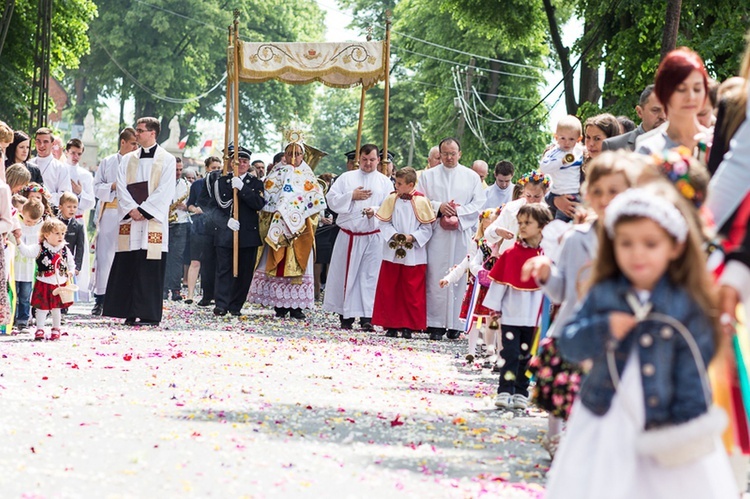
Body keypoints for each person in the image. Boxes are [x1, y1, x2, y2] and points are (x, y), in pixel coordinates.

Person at [546, 183, 736, 498]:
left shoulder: (685, 303)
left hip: (669, 412)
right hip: (608, 411)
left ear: (674, 248)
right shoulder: (603, 292)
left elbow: (696, 359)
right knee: (605, 482)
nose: (637, 253)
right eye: (626, 243)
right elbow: (569, 342)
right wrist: (604, 327)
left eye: (650, 244)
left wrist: (686, 420)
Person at [522, 151, 644, 457]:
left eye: (614, 191)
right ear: (587, 194)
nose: (605, 198)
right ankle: (557, 441)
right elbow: (562, 292)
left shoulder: (638, 241)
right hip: (573, 335)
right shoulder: (575, 238)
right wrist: (547, 274)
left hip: (618, 339)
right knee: (565, 403)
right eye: (598, 191)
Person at [103, 117, 176, 326]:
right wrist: (131, 209)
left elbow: (165, 190)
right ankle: (128, 311)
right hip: (131, 220)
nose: (136, 134)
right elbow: (122, 187)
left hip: (153, 220)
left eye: (140, 130)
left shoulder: (167, 159)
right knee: (130, 264)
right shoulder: (127, 159)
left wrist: (144, 210)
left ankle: (148, 314)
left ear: (152, 133)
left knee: (149, 267)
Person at [483, 204, 552, 410]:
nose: (522, 226)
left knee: (528, 356)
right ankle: (505, 390)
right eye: (520, 222)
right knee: (510, 354)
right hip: (512, 315)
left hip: (535, 318)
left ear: (542, 227)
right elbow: (499, 282)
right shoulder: (511, 254)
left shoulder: (547, 256)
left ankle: (521, 391)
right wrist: (494, 309)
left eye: (527, 223)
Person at [248, 137, 327, 319]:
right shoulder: (277, 173)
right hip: (278, 225)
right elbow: (267, 194)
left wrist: (299, 212)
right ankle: (279, 304)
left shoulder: (308, 176)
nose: (294, 157)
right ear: (285, 155)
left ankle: (296, 306)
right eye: (290, 153)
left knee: (299, 263)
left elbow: (315, 201)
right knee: (277, 263)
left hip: (301, 229)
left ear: (303, 155)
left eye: (297, 154)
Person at [419, 137, 485, 340]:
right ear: (439, 155)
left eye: (453, 153)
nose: (449, 157)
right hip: (436, 233)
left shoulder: (471, 177)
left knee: (458, 275)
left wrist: (458, 213)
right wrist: (439, 207)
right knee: (435, 274)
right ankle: (435, 323)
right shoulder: (428, 176)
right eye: (445, 154)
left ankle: (456, 323)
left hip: (460, 233)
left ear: (460, 154)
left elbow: (479, 203)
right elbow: (420, 200)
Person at [323, 144, 394, 330]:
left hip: (372, 236)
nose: (368, 163)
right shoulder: (346, 178)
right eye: (364, 160)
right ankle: (345, 316)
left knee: (369, 277)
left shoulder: (385, 182)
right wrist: (351, 196)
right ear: (358, 159)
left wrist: (375, 211)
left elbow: (390, 206)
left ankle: (367, 317)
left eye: (372, 160)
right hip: (349, 235)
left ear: (378, 160)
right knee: (346, 275)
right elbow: (331, 199)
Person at [371, 167, 435, 338]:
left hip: (414, 253)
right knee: (390, 288)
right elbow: (383, 223)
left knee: (412, 289)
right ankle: (390, 324)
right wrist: (394, 235)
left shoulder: (422, 201)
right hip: (392, 250)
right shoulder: (391, 199)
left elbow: (427, 228)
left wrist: (411, 237)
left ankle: (409, 325)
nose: (396, 186)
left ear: (411, 185)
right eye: (396, 182)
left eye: (399, 184)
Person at [207, 145, 265, 317]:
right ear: (232, 163)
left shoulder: (255, 183)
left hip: (247, 235)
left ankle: (235, 305)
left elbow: (259, 204)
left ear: (249, 165)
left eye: (245, 162)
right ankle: (221, 304)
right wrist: (226, 222)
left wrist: (242, 188)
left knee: (245, 272)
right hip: (225, 234)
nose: (241, 164)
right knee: (224, 269)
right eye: (238, 161)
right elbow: (213, 210)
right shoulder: (221, 182)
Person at [439, 207, 500, 362]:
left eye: (490, 227)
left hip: (495, 286)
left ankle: (490, 352)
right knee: (473, 319)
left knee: (491, 320)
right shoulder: (478, 243)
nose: (487, 231)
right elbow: (467, 262)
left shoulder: (502, 246)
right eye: (485, 227)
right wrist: (450, 278)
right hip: (478, 287)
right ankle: (471, 351)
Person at [91, 127, 138, 316]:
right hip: (110, 211)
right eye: (133, 143)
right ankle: (101, 299)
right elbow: (96, 187)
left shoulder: (139, 163)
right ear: (123, 142)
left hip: (131, 214)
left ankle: (124, 298)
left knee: (128, 254)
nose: (136, 147)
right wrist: (112, 186)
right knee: (104, 256)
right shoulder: (108, 162)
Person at [636, 48, 710, 158]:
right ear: (664, 92)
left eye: (697, 89)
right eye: (681, 89)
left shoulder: (717, 144)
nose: (691, 97)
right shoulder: (649, 150)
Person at [15, 218, 75, 341]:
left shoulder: (64, 249)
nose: (60, 236)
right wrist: (18, 240)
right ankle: (40, 329)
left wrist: (71, 272)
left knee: (56, 308)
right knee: (41, 308)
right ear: (46, 235)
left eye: (62, 234)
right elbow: (27, 252)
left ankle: (56, 329)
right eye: (57, 233)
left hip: (59, 284)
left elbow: (71, 263)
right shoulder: (40, 247)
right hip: (44, 282)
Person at [555, 114, 621, 220]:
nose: (590, 144)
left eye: (597, 139)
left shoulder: (621, 168)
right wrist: (556, 200)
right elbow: (554, 185)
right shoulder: (577, 161)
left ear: (611, 139)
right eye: (588, 137)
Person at [485, 170, 551, 256]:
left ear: (545, 193)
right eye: (528, 195)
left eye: (537, 196)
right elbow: (488, 234)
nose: (532, 200)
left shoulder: (550, 211)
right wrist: (497, 231)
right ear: (523, 191)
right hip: (511, 257)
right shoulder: (512, 208)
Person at [185, 156, 221, 305]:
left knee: (215, 262)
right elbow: (190, 204)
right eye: (213, 168)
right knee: (196, 261)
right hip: (200, 226)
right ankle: (190, 294)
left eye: (219, 168)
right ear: (207, 168)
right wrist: (196, 209)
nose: (216, 171)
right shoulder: (198, 185)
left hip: (217, 226)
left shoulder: (223, 184)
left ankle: (213, 294)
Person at [63, 138, 95, 301]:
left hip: (78, 219)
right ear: (66, 152)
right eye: (73, 153)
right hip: (61, 221)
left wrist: (80, 192)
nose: (75, 157)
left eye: (79, 154)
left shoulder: (86, 175)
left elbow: (91, 202)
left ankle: (78, 290)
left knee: (79, 253)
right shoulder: (61, 169)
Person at [539, 115, 585, 222]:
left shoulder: (580, 151)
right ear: (556, 137)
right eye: (562, 138)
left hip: (577, 194)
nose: (566, 142)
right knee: (560, 223)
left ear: (579, 139)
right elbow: (544, 167)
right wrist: (561, 162)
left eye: (571, 139)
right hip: (560, 194)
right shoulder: (554, 153)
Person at [602, 85, 666, 152]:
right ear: (640, 112)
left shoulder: (677, 144)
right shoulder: (614, 146)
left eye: (668, 110)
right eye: (655, 110)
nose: (663, 116)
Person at [13, 199, 44, 333]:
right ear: (22, 213)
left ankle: (23, 321)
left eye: (33, 222)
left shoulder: (40, 226)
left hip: (28, 269)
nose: (30, 224)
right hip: (14, 266)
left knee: (25, 296)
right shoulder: (16, 222)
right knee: (13, 294)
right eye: (28, 221)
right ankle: (11, 319)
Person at [164, 157, 190, 302]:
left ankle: (175, 289)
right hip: (164, 223)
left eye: (181, 170)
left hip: (180, 222)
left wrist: (185, 207)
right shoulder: (162, 182)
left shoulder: (186, 185)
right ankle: (163, 288)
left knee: (177, 257)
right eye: (176, 170)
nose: (179, 173)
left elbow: (192, 204)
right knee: (164, 256)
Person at [27, 128, 72, 207]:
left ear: (52, 143)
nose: (41, 145)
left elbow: (65, 196)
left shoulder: (60, 167)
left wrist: (48, 196)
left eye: (45, 142)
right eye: (38, 141)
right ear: (35, 143)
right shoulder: (28, 164)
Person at [58, 192, 85, 289]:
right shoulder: (54, 223)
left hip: (68, 263)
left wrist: (77, 267)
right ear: (60, 207)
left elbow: (80, 248)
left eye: (75, 207)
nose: (72, 209)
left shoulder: (78, 226)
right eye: (69, 206)